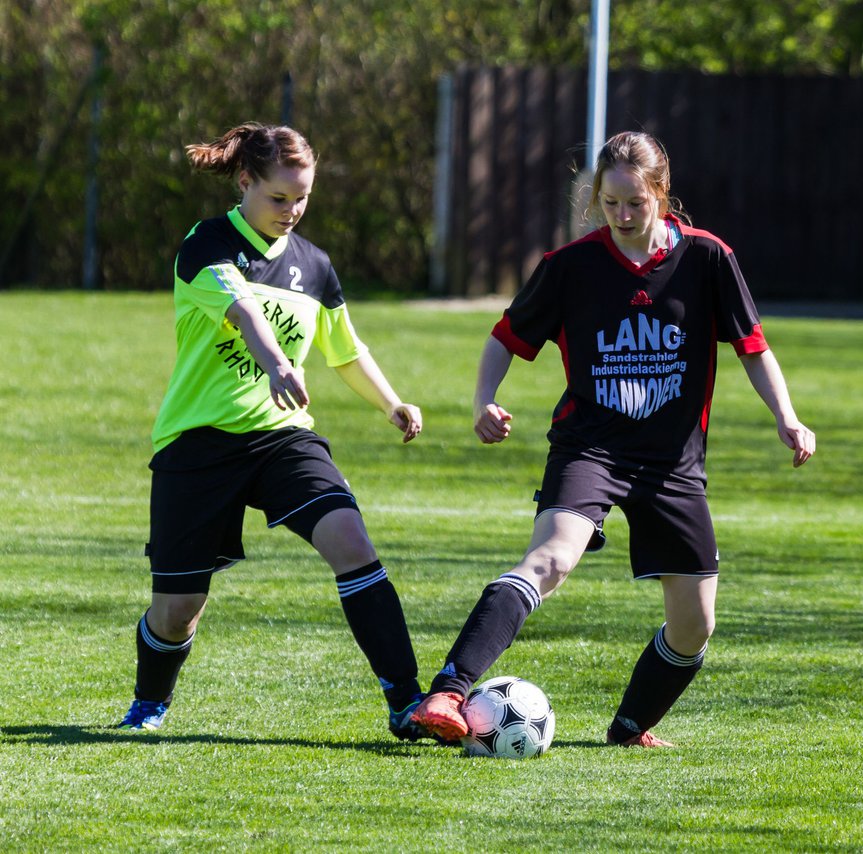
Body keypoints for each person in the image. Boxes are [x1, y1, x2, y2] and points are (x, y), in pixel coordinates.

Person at [409, 131, 816, 747]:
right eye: (610, 203)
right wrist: (483, 399)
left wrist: (786, 415)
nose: (623, 217)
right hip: (589, 448)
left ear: (662, 195)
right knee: (550, 560)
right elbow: (505, 338)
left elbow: (753, 349)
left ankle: (630, 727)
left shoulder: (707, 259)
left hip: (673, 462)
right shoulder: (570, 267)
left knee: (695, 623)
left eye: (636, 203)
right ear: (595, 198)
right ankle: (448, 689)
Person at [117, 122, 432, 741]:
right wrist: (279, 363)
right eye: (278, 198)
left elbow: (345, 350)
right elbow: (242, 310)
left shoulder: (315, 266)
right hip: (198, 443)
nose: (292, 211)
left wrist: (391, 402)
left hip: (281, 437)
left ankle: (407, 700)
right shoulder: (206, 243)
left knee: (350, 538)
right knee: (178, 610)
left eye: (303, 198)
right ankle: (149, 700)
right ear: (245, 182)